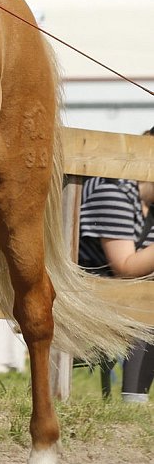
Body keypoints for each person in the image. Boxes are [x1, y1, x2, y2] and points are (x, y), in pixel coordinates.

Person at [78, 142, 154, 403]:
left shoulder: (147, 203)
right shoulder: (113, 191)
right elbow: (126, 267)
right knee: (146, 300)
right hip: (88, 294)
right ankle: (134, 400)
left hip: (125, 293)